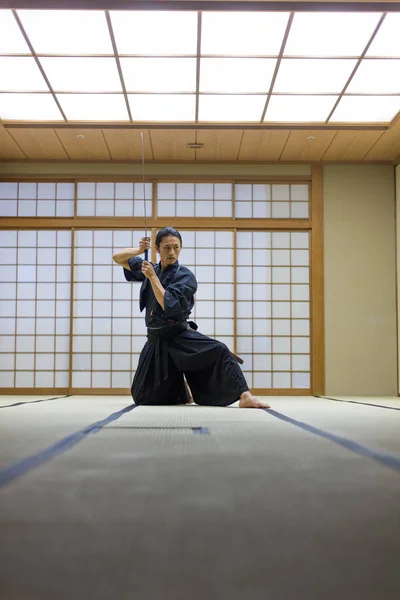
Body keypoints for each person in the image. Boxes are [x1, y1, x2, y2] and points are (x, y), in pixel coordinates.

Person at [112, 227, 270, 409]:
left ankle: (245, 396)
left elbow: (167, 304)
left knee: (219, 349)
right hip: (156, 339)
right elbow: (118, 258)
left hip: (178, 335)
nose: (172, 252)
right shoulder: (151, 268)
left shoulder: (185, 276)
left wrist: (153, 278)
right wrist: (138, 251)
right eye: (166, 247)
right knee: (144, 397)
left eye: (176, 247)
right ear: (157, 249)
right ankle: (183, 392)